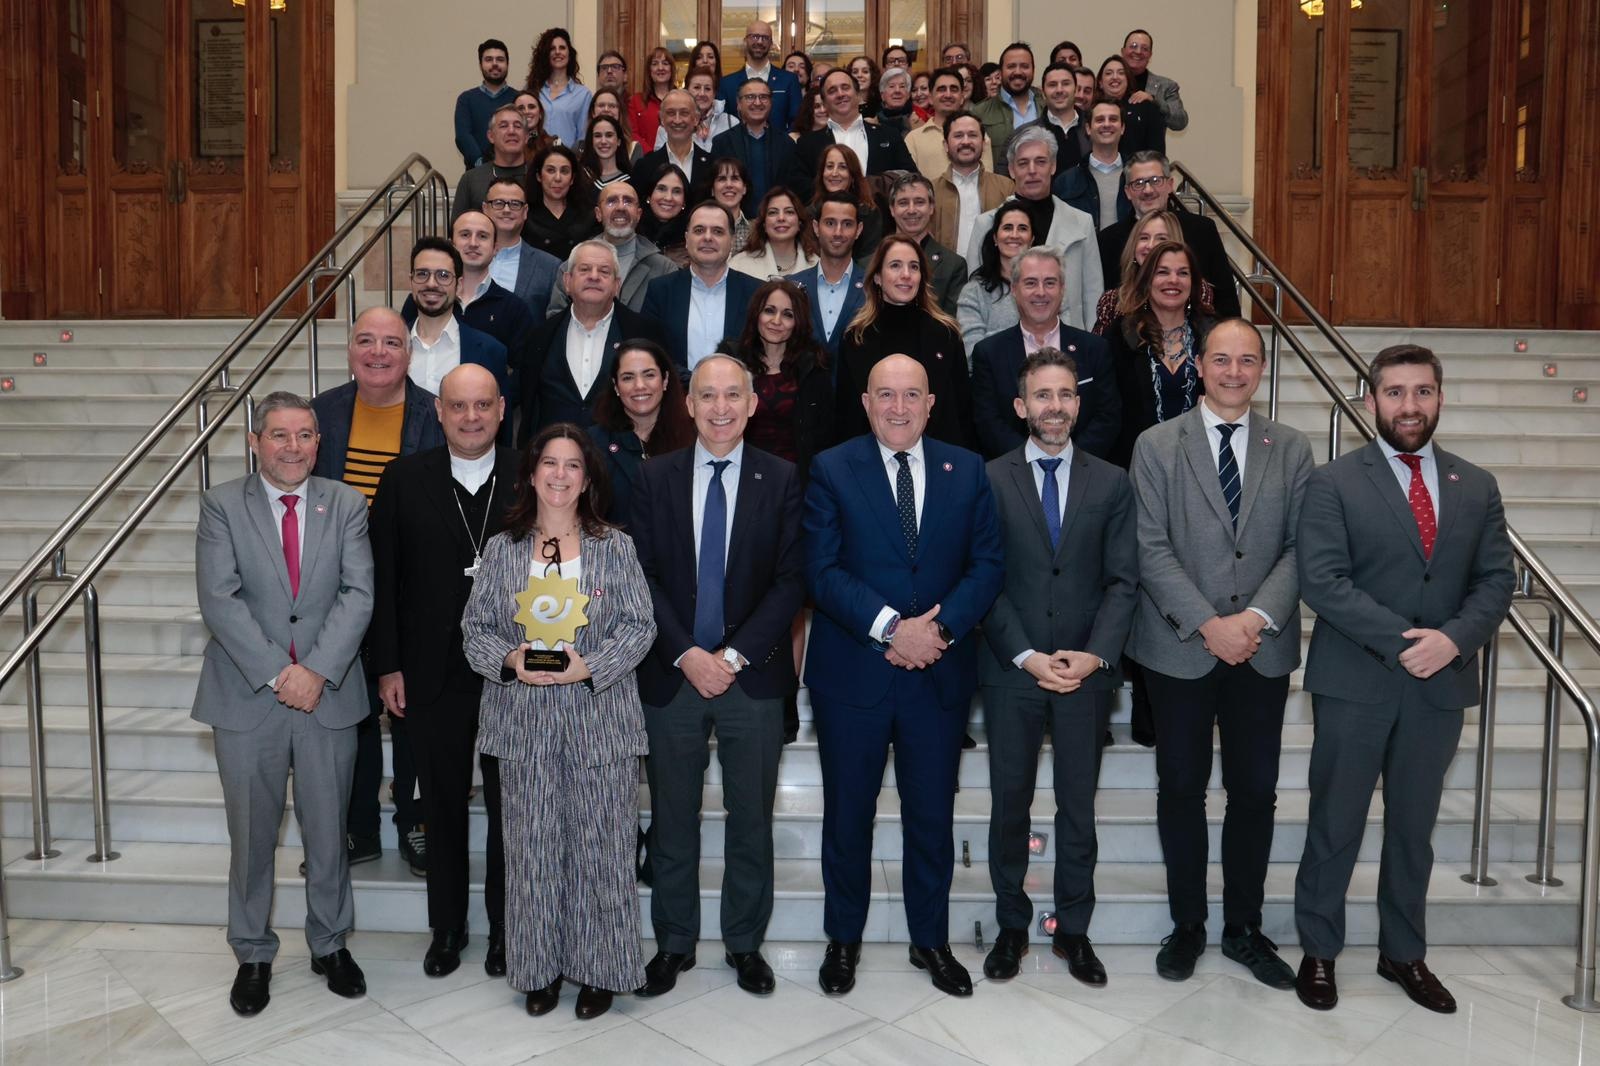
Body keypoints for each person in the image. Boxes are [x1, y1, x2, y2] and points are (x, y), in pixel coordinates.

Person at [1293, 345, 1514, 1015]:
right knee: (1336, 823)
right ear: (1371, 402)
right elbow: (1322, 581)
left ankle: (1403, 952)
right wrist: (1406, 643)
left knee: (1413, 827)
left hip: (1438, 688)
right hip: (1355, 680)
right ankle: (1320, 951)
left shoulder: (1476, 485)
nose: (1409, 406)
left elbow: (1496, 579)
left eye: (1422, 392)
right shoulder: (1333, 482)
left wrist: (1452, 640)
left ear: (1440, 399)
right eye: (1395, 393)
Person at [805, 354, 1003, 998]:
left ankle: (931, 941)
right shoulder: (832, 467)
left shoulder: (967, 469)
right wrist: (895, 628)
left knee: (930, 820)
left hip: (937, 677)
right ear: (865, 402)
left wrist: (937, 633)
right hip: (854, 678)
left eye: (910, 395)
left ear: (930, 403)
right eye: (885, 394)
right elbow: (823, 570)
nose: (898, 407)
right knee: (847, 818)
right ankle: (843, 941)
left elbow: (987, 566)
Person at [1126, 317, 1314, 986]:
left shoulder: (1291, 448)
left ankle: (1243, 928)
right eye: (1221, 359)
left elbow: (1302, 547)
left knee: (1254, 792)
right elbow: (1149, 547)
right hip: (1179, 646)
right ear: (1198, 365)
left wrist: (1255, 618)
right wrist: (1209, 623)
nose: (1234, 371)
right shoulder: (1156, 445)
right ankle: (1187, 927)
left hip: (1260, 649)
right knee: (1179, 787)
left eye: (1247, 360)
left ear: (1261, 369)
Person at [459, 423, 657, 1020]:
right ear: (532, 472)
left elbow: (640, 626)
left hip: (601, 721)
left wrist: (588, 667)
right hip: (523, 724)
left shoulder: (614, 547)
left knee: (604, 852)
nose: (561, 475)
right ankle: (539, 971)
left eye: (574, 465)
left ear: (589, 477)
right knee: (534, 853)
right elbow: (476, 630)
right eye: (550, 463)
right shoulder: (501, 549)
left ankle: (601, 971)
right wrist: (510, 659)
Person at [629, 354, 806, 1000]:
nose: (721, 407)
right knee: (672, 819)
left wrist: (730, 658)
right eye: (708, 395)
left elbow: (792, 580)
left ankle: (743, 944)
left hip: (752, 679)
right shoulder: (655, 478)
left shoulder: (782, 478)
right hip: (672, 677)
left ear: (753, 404)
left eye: (734, 394)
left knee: (750, 820)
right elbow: (640, 574)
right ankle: (673, 942)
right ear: (688, 404)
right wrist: (687, 653)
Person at [194, 391, 373, 1017]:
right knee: (251, 835)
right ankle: (253, 952)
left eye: (303, 435)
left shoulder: (346, 502)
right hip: (249, 697)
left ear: (318, 442)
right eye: (278, 435)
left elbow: (359, 593)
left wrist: (317, 671)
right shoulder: (221, 505)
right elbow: (220, 599)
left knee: (329, 832)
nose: (291, 447)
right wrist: (279, 673)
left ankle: (330, 943)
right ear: (255, 441)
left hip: (328, 694)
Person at [978, 346, 1136, 987]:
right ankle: (1012, 927)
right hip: (1013, 669)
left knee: (1078, 808)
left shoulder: (1112, 481)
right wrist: (1026, 655)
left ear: (1079, 403)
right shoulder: (987, 479)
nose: (1054, 406)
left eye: (1065, 395)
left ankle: (1074, 930)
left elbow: (1124, 582)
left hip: (1085, 673)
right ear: (1021, 407)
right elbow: (984, 578)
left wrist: (1094, 655)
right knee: (1008, 806)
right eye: (1042, 396)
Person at [367, 365, 516, 981]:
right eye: (459, 406)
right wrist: (387, 666)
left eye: (483, 405)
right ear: (439, 411)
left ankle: (510, 929)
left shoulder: (534, 474)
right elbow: (383, 579)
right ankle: (448, 928)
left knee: (513, 809)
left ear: (501, 409)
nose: (472, 417)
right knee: (443, 806)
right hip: (429, 674)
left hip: (515, 673)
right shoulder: (402, 479)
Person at [309, 310, 444, 879]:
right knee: (348, 710)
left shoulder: (433, 412)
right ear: (349, 350)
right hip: (334, 585)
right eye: (367, 340)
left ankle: (415, 820)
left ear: (409, 355)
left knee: (410, 707)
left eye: (392, 342)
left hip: (408, 582)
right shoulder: (323, 412)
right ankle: (356, 824)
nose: (379, 352)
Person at [970, 246, 1119, 460]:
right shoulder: (989, 353)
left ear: (1062, 289)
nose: (1041, 292)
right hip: (1014, 476)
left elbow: (1108, 416)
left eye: (1050, 283)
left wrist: (1070, 461)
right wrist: (1031, 462)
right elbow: (988, 422)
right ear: (1014, 289)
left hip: (1083, 474)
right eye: (1031, 283)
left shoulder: (1094, 349)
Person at [519, 239, 669, 440]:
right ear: (567, 281)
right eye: (584, 269)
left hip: (623, 461)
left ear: (617, 285)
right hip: (555, 459)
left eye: (604, 271)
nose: (594, 277)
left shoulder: (644, 333)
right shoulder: (540, 336)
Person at [834, 235, 971, 448]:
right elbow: (846, 416)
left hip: (937, 459)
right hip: (871, 460)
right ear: (878, 276)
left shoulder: (946, 334)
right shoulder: (856, 337)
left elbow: (962, 412)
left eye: (914, 267)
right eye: (895, 265)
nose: (906, 275)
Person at [965, 127, 1101, 331]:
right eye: (1023, 163)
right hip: (1004, 346)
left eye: (1040, 161)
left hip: (1069, 344)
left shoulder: (1081, 223)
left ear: (1053, 166)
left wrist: (1091, 350)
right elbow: (975, 297)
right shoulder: (986, 225)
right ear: (1011, 170)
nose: (1032, 170)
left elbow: (1093, 296)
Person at [1106, 240, 1214, 470]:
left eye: (1183, 273)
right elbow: (1108, 409)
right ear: (1146, 281)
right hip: (1135, 464)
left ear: (1193, 282)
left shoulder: (1211, 336)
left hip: (1200, 465)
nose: (1173, 280)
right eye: (1162, 272)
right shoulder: (1120, 336)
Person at [1096, 152, 1241, 317]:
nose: (1148, 190)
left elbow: (1226, 300)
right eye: (1138, 183)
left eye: (1155, 181)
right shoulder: (1108, 240)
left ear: (1170, 184)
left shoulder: (1202, 231)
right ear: (1128, 192)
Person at [640, 201, 764, 376]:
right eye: (699, 230)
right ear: (686, 239)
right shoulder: (660, 291)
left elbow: (763, 356)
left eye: (718, 231)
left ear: (732, 240)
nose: (707, 237)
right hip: (678, 396)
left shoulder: (756, 292)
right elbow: (650, 353)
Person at [587, 339, 696, 528]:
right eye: (628, 377)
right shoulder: (592, 443)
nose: (639, 385)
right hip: (615, 554)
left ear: (665, 380)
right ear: (616, 386)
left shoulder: (694, 439)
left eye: (649, 375)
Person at [735, 279, 834, 474]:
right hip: (740, 477)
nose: (777, 321)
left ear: (798, 322)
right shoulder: (734, 364)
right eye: (769, 310)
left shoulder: (813, 368)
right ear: (756, 314)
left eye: (788, 314)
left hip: (796, 481)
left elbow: (825, 437)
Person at [785, 68, 915, 202]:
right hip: (829, 219)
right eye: (832, 91)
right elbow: (799, 189)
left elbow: (911, 178)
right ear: (824, 103)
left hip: (880, 218)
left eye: (845, 87)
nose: (840, 94)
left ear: (858, 95)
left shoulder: (888, 135)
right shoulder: (807, 143)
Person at [551, 180, 678, 314]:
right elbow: (555, 319)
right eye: (611, 201)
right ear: (598, 214)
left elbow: (671, 322)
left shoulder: (664, 269)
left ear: (638, 214)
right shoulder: (573, 264)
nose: (621, 207)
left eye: (628, 201)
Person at [405, 237, 509, 399]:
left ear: (459, 285)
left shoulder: (490, 351)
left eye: (443, 275)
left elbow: (499, 418)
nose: (431, 284)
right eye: (422, 274)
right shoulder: (390, 347)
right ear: (411, 281)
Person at [1094, 209, 1218, 334]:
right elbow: (1099, 349)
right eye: (1144, 238)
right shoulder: (1111, 301)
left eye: (1161, 238)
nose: (1151, 245)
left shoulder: (1194, 288)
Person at [784, 192, 868, 357]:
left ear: (858, 230)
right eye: (830, 223)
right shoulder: (791, 287)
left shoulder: (873, 288)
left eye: (847, 224)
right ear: (816, 227)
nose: (838, 232)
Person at [930, 110, 1013, 258]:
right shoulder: (931, 191)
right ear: (946, 145)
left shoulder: (1006, 188)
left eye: (973, 135)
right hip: (946, 277)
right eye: (958, 136)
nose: (966, 141)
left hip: (992, 275)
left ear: (983, 143)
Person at [711, 78, 797, 215]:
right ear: (738, 103)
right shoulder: (722, 142)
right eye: (750, 97)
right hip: (734, 221)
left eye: (763, 97)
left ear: (771, 102)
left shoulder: (786, 144)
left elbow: (792, 189)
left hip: (774, 223)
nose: (757, 103)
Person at [887, 172, 967, 318]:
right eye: (903, 203)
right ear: (892, 209)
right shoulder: (870, 262)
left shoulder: (954, 266)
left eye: (919, 202)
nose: (911, 210)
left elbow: (951, 325)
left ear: (931, 208)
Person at [957, 200, 1032, 355]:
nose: (1015, 235)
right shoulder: (973, 291)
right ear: (995, 238)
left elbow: (1059, 338)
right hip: (992, 377)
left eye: (1023, 228)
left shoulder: (1048, 286)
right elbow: (973, 352)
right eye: (1007, 228)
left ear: (1032, 240)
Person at [482, 178, 563, 318]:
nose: (506, 210)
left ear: (525, 211)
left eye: (515, 204)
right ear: (485, 209)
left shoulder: (550, 267)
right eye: (498, 203)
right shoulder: (462, 258)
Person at [1005, 61, 1090, 188]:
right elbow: (1006, 182)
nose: (1059, 90)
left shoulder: (1095, 129)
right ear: (1043, 92)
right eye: (1052, 85)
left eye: (1066, 84)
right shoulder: (1021, 134)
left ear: (1075, 89)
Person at [1052, 100, 1132, 231]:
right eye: (1100, 120)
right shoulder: (1066, 182)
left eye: (1113, 119)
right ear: (1088, 128)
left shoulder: (1136, 176)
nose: (1106, 124)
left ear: (1122, 128)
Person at [971, 43, 1045, 179]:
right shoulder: (979, 113)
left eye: (1024, 66)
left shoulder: (1047, 108)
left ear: (1033, 70)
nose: (1018, 72)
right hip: (999, 194)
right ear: (1001, 72)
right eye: (1011, 66)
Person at [719, 21, 804, 133]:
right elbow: (721, 124)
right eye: (755, 36)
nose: (759, 41)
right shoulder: (727, 84)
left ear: (771, 44)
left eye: (765, 38)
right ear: (745, 41)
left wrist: (784, 143)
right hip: (737, 149)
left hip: (779, 148)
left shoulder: (789, 80)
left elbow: (797, 120)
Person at [909, 70, 994, 178]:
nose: (948, 95)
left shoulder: (979, 136)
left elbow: (987, 180)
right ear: (930, 97)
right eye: (942, 89)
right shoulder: (914, 139)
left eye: (954, 89)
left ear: (962, 97)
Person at [523, 144, 599, 263]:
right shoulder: (525, 215)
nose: (558, 178)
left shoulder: (588, 214)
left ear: (572, 179)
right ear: (539, 176)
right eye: (550, 170)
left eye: (564, 171)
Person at [453, 106, 529, 222]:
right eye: (503, 126)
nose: (511, 131)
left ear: (526, 137)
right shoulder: (471, 179)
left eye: (517, 126)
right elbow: (457, 228)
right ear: (491, 136)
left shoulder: (539, 176)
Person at [810, 142, 884, 258]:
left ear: (853, 175)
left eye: (842, 167)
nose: (834, 173)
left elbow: (869, 259)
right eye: (829, 166)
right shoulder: (810, 213)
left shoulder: (869, 213)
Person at [730, 186, 819, 280]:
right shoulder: (739, 265)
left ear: (799, 223)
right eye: (773, 213)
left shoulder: (817, 265)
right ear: (764, 224)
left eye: (789, 212)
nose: (781, 218)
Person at [636, 89, 714, 195]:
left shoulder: (712, 165)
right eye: (671, 113)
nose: (677, 120)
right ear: (662, 119)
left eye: (684, 113)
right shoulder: (645, 166)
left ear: (696, 119)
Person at [455, 39, 516, 171]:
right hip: (476, 174)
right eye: (489, 59)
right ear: (480, 64)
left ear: (507, 64)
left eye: (500, 59)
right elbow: (463, 136)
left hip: (514, 172)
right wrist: (481, 165)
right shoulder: (466, 99)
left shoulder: (518, 98)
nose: (495, 64)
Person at [526, 28, 591, 148]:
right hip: (535, 160)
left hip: (568, 162)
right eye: (552, 48)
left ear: (569, 53)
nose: (557, 52)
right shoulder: (533, 91)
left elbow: (583, 138)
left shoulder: (583, 94)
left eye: (562, 48)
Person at [1122, 29, 1188, 133]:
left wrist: (1155, 101)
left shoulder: (1166, 86)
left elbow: (1180, 122)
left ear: (1150, 55)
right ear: (1123, 51)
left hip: (1150, 148)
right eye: (1133, 46)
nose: (1138, 51)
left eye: (1144, 49)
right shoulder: (1109, 82)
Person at [1097, 55, 1165, 157]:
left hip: (1138, 170)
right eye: (1108, 73)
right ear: (1100, 83)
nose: (1115, 77)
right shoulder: (1092, 109)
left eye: (1121, 73)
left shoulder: (1146, 108)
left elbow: (1157, 152)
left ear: (1128, 80)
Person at [668, 67, 737, 152]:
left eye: (707, 89)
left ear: (714, 93)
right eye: (697, 87)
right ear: (686, 91)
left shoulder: (731, 123)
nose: (702, 93)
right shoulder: (672, 123)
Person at [638, 162, 691, 265]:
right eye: (661, 189)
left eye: (676, 191)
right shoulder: (631, 231)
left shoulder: (692, 238)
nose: (668, 198)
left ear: (684, 201)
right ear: (649, 196)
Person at [629, 46, 677, 153]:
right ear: (649, 70)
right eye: (655, 64)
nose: (660, 68)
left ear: (671, 69)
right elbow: (632, 134)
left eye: (665, 63)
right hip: (647, 160)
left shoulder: (682, 100)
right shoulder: (636, 101)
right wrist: (652, 156)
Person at [578, 115, 633, 194]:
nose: (603, 141)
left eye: (609, 135)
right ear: (591, 141)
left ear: (618, 141)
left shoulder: (629, 182)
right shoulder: (580, 176)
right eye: (597, 136)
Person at [709, 156, 753, 248]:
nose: (729, 185)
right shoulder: (702, 229)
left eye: (735, 178)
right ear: (712, 190)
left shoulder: (756, 231)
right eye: (722, 179)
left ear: (744, 188)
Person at [512, 89, 556, 159]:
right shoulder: (504, 144)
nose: (526, 112)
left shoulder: (554, 144)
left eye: (531, 107)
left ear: (540, 114)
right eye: (521, 108)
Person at [875, 66, 917, 131]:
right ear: (882, 95)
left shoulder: (918, 121)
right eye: (891, 86)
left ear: (908, 94)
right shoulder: (873, 123)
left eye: (902, 86)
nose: (897, 90)